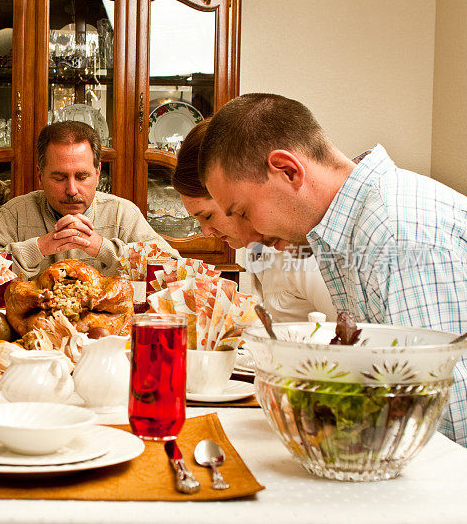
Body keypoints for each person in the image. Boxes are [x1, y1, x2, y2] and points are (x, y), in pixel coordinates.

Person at [197, 92, 467, 446]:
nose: (251, 236)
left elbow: (445, 421)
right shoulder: (341, 230)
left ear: (288, 170)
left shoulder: (396, 231)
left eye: (244, 212)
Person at [173, 120, 336, 322]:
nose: (206, 232)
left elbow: (353, 339)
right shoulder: (258, 247)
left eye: (207, 216)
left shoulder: (302, 250)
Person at [0, 121, 178, 278]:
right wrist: (38, 248)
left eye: (82, 177)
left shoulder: (122, 213)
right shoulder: (16, 212)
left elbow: (174, 269)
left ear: (98, 173)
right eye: (59, 178)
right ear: (40, 176)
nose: (72, 190)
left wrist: (104, 249)